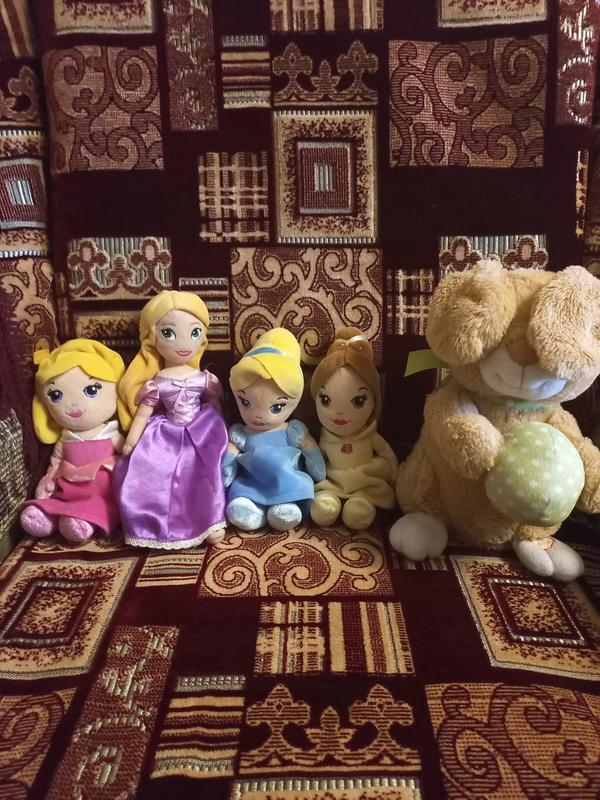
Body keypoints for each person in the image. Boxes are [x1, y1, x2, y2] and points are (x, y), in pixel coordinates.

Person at [114, 290, 227, 549]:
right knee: (158, 478)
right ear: (153, 337)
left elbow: (216, 404)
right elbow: (144, 412)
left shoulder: (204, 378)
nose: (184, 342)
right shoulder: (156, 383)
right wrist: (131, 441)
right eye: (169, 333)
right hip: (165, 435)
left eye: (194, 332)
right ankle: (154, 528)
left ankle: (211, 522)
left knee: (205, 477)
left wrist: (222, 431)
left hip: (201, 431)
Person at [20, 339, 126, 542]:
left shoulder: (111, 434)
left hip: (103, 493)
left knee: (99, 505)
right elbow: (55, 464)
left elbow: (130, 455)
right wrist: (48, 480)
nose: (74, 404)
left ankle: (82, 521)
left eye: (91, 390)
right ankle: (45, 516)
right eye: (56, 395)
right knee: (56, 501)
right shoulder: (65, 439)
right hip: (68, 490)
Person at [223, 328, 325, 531]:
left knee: (286, 506)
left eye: (276, 407)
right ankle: (250, 509)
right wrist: (224, 474)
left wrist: (318, 470)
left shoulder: (292, 430)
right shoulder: (240, 433)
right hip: (251, 483)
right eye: (245, 402)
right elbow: (229, 459)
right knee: (242, 500)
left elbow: (310, 450)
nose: (258, 416)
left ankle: (285, 508)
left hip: (287, 482)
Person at [310, 327, 397, 529]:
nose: (340, 413)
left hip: (366, 484)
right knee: (324, 504)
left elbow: (387, 454)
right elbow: (316, 460)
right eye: (325, 400)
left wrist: (396, 476)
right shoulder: (323, 438)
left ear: (374, 401)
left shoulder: (371, 436)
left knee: (359, 510)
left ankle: (360, 505)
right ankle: (328, 503)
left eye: (358, 401)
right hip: (332, 482)